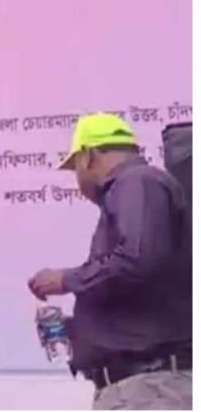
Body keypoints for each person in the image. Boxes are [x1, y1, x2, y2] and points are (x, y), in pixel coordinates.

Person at [28, 113, 191, 410]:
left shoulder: (138, 181)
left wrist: (67, 280)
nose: (78, 179)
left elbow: (137, 260)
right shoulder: (139, 186)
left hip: (149, 387)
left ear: (88, 157)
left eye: (75, 167)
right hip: (141, 387)